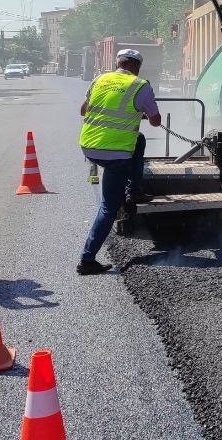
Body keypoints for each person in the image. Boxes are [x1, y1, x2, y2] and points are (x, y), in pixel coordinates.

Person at [77, 48, 162, 275]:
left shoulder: (100, 79)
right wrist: (141, 111)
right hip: (115, 153)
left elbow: (83, 110)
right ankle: (87, 259)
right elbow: (156, 121)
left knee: (139, 140)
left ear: (118, 63)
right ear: (137, 66)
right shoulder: (140, 85)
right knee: (108, 207)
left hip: (89, 145)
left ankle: (133, 189)